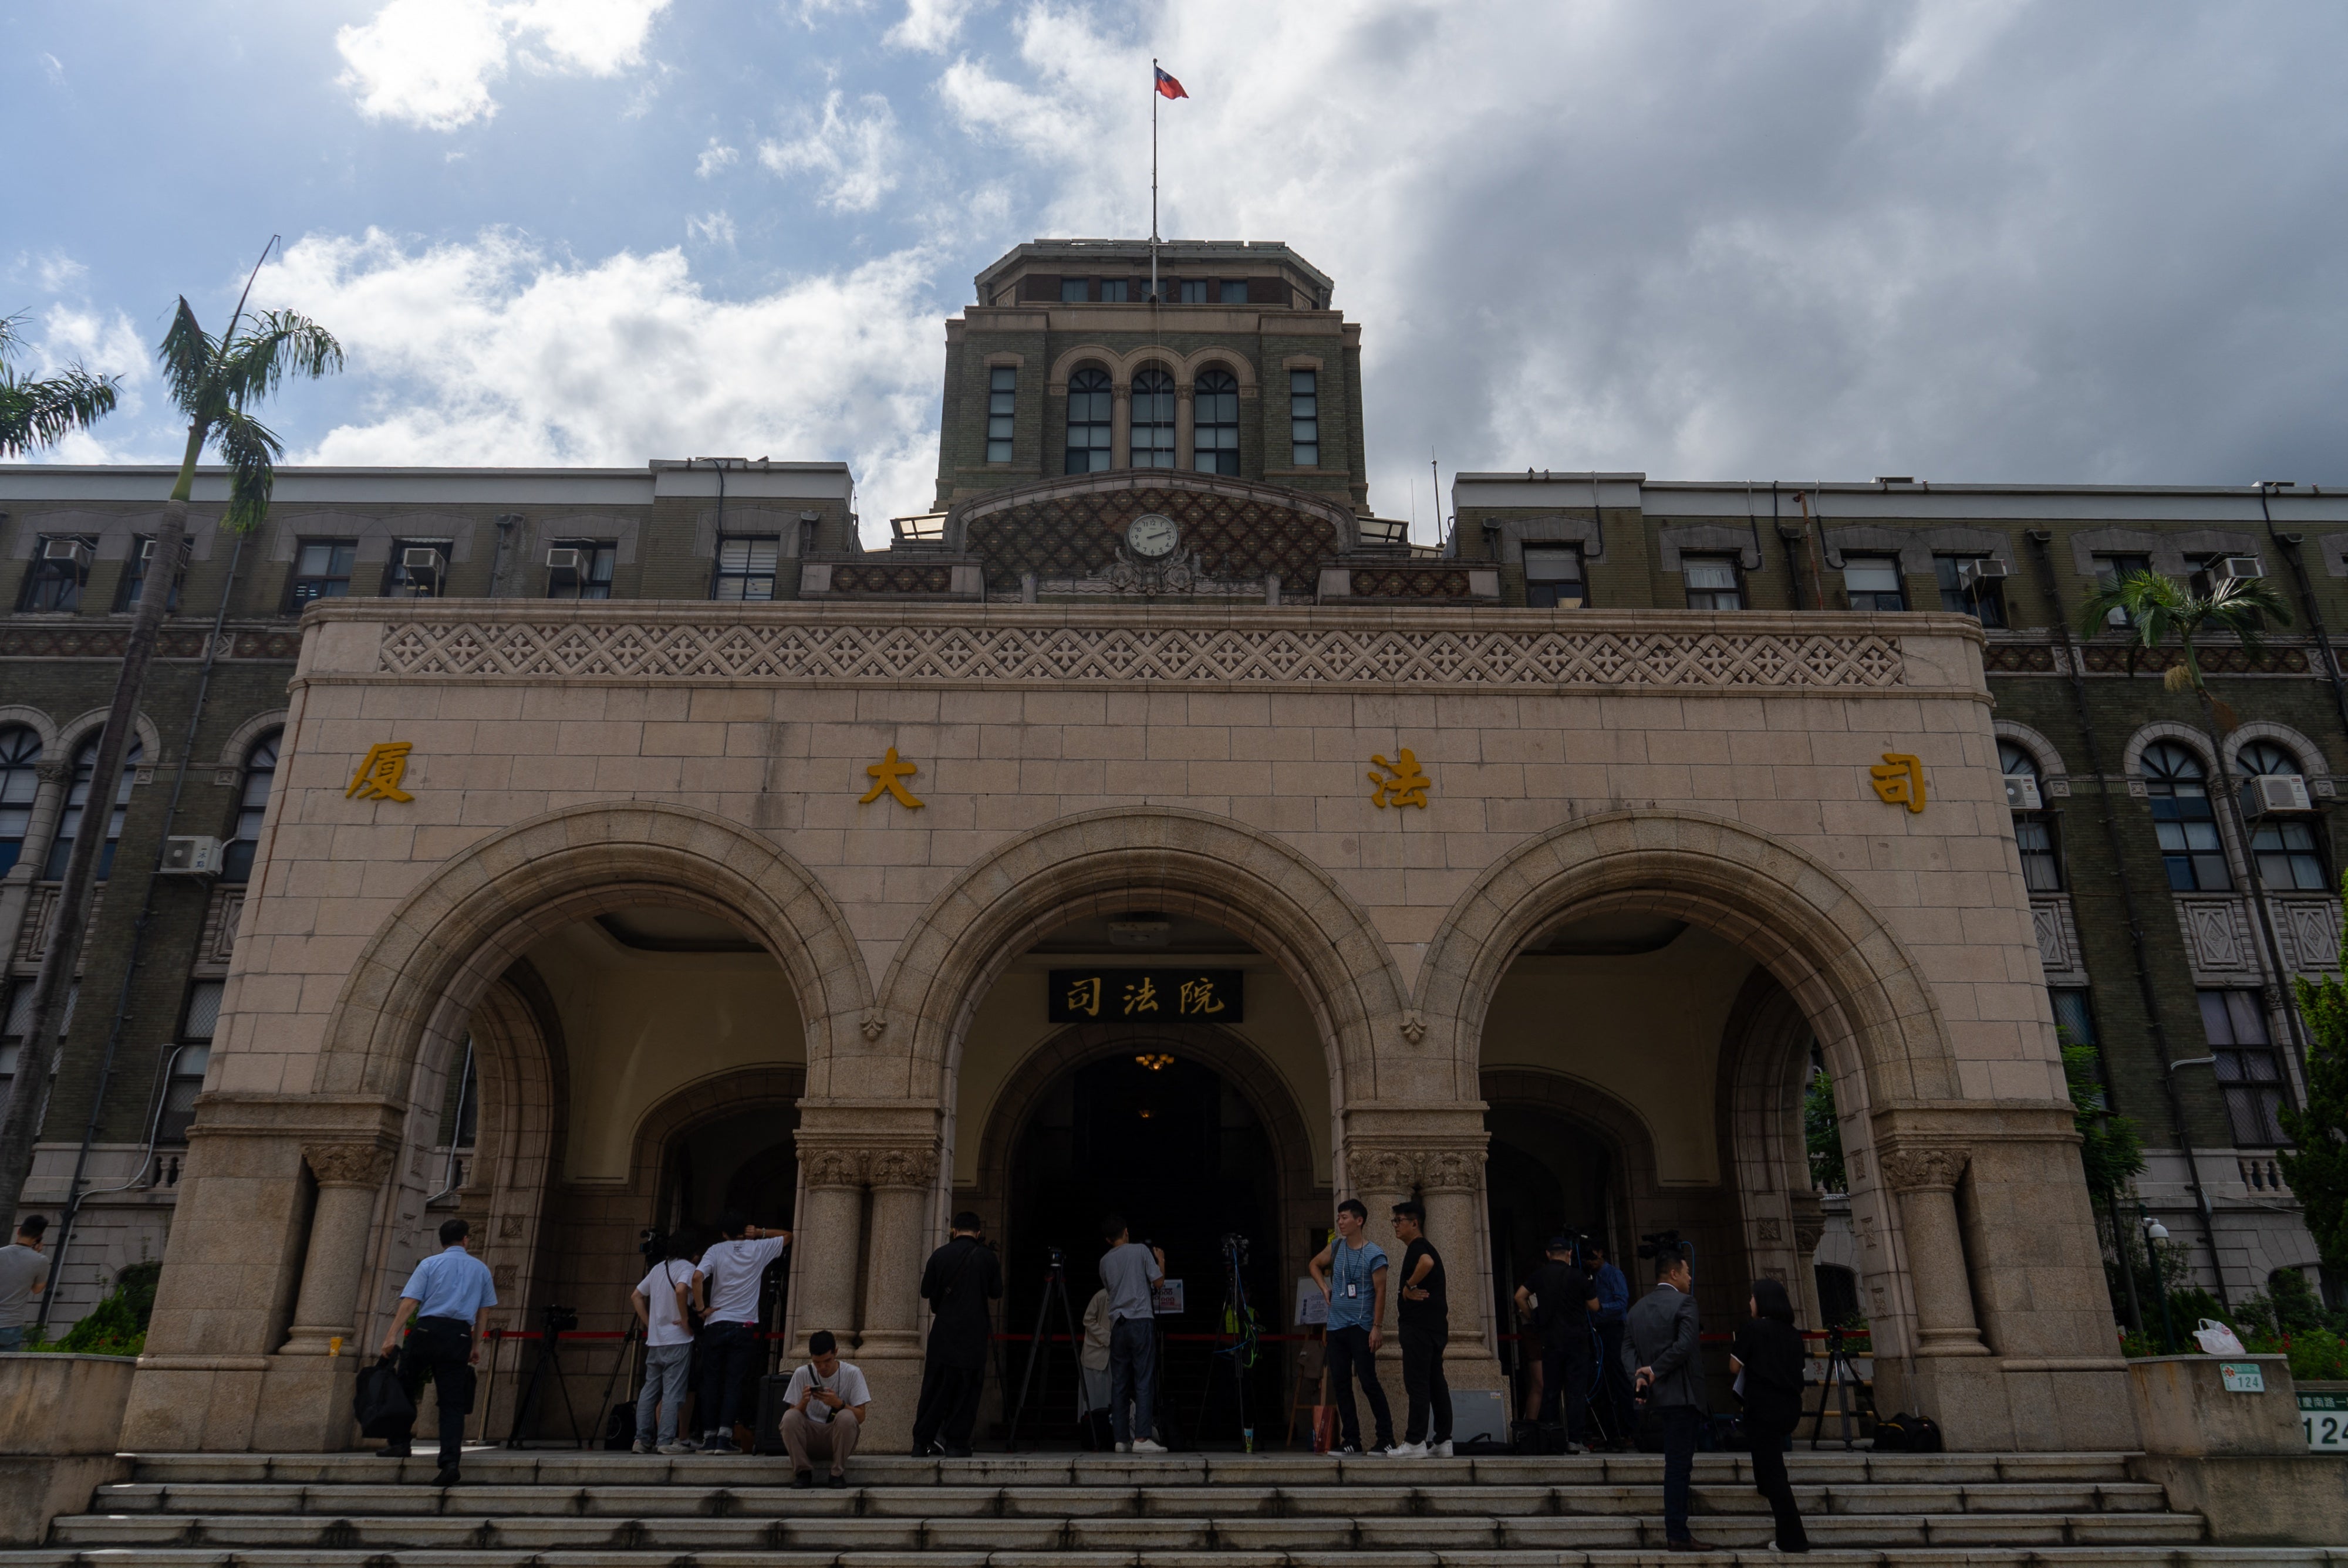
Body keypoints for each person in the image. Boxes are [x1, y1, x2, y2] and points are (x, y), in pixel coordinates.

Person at [377, 1216, 497, 1487]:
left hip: (426, 1331)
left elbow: (411, 1301)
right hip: (459, 1335)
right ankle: (450, 1462)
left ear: (442, 1241)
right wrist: (475, 1345)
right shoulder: (481, 1269)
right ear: (465, 1240)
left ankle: (400, 1442)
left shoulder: (430, 1264)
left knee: (406, 1386)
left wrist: (391, 1335)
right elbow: (484, 1312)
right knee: (452, 1402)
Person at [1625, 1238, 1711, 1553]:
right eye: (1686, 1272)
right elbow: (1685, 1345)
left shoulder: (1636, 1309)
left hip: (1653, 1399)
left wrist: (1639, 1376)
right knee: (1678, 1467)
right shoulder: (1686, 1303)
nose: (1690, 1277)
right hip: (1682, 1397)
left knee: (1675, 1464)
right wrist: (1654, 1370)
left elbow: (1627, 1349)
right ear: (1673, 1273)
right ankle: (1677, 1532)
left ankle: (1678, 1530)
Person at [692, 1211, 791, 1453]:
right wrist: (760, 1233)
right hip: (743, 1325)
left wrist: (701, 1309)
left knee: (711, 1382)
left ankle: (709, 1437)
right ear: (745, 1229)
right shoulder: (757, 1248)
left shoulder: (715, 1250)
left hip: (716, 1322)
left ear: (724, 1233)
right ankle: (724, 1438)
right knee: (734, 1383)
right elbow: (788, 1236)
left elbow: (696, 1278)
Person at [1308, 1198, 1396, 1456]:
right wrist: (1324, 1288)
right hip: (1337, 1327)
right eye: (1339, 1218)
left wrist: (1377, 1327)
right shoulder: (1336, 1247)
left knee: (1368, 1382)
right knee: (1341, 1383)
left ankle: (1386, 1438)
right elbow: (1314, 1264)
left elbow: (1381, 1292)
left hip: (1362, 1327)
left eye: (1345, 1217)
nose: (1340, 1222)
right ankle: (1351, 1439)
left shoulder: (1375, 1254)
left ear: (1359, 1221)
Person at [910, 1211, 1002, 1457]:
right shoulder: (987, 1257)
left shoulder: (940, 1255)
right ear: (978, 1233)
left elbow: (926, 1291)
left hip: (944, 1332)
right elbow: (996, 1291)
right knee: (967, 1389)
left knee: (935, 1388)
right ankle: (956, 1443)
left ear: (954, 1231)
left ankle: (921, 1442)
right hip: (973, 1333)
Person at [1730, 1278, 1810, 1553]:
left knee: (1775, 1474)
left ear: (1763, 1301)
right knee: (1772, 1462)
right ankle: (1764, 1484)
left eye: (1753, 1297)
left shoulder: (1754, 1329)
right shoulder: (1793, 1333)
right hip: (1789, 1408)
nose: (1750, 1302)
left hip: (1762, 1407)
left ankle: (1793, 1539)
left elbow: (1734, 1366)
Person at [1515, 1235, 1599, 1452]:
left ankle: (1551, 1437)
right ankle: (1575, 1440)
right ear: (1570, 1253)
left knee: (1551, 1391)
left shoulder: (1540, 1275)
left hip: (1551, 1340)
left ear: (1548, 1254)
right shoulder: (1578, 1276)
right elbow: (1595, 1306)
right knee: (1576, 1392)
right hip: (1577, 1341)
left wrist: (1533, 1317)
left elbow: (1519, 1296)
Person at [1098, 1214, 1167, 1454]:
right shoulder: (1140, 1251)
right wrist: (1161, 1260)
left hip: (1118, 1324)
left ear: (1108, 1240)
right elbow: (1158, 1283)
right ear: (1126, 1232)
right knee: (1143, 1379)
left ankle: (1121, 1439)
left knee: (1119, 1383)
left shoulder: (1104, 1262)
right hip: (1140, 1319)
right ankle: (1142, 1438)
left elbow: (1110, 1290)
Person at [1389, 1201, 1450, 1458]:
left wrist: (1408, 1286)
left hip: (1418, 1328)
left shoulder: (1418, 1247)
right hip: (1435, 1328)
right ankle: (1444, 1441)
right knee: (1436, 1382)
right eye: (1394, 1221)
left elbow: (1426, 1262)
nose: (1396, 1226)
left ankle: (1415, 1441)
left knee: (1417, 1383)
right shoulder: (1425, 1247)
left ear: (1414, 1223)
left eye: (1399, 1221)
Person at [629, 1235, 698, 1454]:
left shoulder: (658, 1269)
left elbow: (636, 1296)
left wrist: (650, 1324)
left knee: (649, 1391)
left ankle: (641, 1440)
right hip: (678, 1339)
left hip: (656, 1341)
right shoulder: (687, 1267)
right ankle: (665, 1441)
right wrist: (685, 1319)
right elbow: (681, 1290)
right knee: (673, 1393)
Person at [779, 1329, 871, 1488]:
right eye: (817, 1363)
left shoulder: (853, 1373)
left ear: (836, 1352)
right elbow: (793, 1416)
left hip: (836, 1438)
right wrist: (804, 1402)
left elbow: (861, 1417)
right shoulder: (802, 1373)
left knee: (847, 1416)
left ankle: (837, 1474)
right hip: (809, 1438)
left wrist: (839, 1404)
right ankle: (803, 1472)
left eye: (827, 1361)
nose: (822, 1367)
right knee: (789, 1417)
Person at [1585, 1240, 1634, 1448]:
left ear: (1600, 1253)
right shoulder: (1592, 1277)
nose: (1590, 1262)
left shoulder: (1614, 1274)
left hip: (1614, 1329)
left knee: (1619, 1378)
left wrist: (1599, 1308)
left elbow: (1622, 1303)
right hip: (1599, 1331)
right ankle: (1609, 1431)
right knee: (1602, 1381)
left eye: (1592, 1257)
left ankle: (1629, 1429)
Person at [0, 1215, 49, 1351]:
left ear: (19, 1231)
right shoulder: (40, 1261)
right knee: (7, 1365)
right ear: (39, 1237)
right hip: (11, 1324)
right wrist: (36, 1254)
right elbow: (37, 1289)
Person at [1079, 1285, 1113, 1446]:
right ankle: (1091, 1436)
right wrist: (1107, 1337)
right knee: (1092, 1402)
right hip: (1095, 1355)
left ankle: (1106, 1435)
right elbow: (1088, 1320)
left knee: (1108, 1401)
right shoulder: (1101, 1296)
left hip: (1111, 1357)